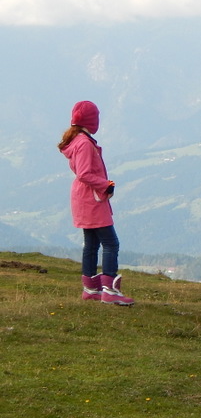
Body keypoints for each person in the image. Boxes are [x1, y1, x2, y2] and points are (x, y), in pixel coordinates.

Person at [58, 100, 134, 306]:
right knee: (111, 243)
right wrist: (106, 185)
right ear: (91, 120)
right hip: (92, 198)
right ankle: (110, 290)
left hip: (83, 198)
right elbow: (84, 174)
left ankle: (91, 289)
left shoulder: (77, 140)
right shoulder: (84, 143)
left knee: (91, 244)